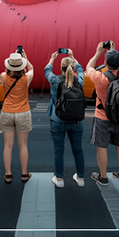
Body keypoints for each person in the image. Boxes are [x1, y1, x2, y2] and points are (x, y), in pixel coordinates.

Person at [86, 41, 119, 185]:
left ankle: (103, 177)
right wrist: (114, 50)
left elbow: (89, 67)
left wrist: (98, 52)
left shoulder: (101, 78)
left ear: (105, 62)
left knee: (102, 147)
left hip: (102, 117)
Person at [44, 51, 87, 188]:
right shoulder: (79, 81)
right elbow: (80, 69)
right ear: (73, 68)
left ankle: (60, 179)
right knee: (78, 149)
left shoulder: (55, 80)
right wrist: (73, 57)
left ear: (61, 68)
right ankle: (80, 178)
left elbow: (47, 70)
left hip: (57, 120)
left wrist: (52, 58)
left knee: (59, 150)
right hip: (76, 121)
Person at [0, 51, 35, 184]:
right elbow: (31, 69)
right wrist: (25, 56)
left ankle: (8, 174)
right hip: (23, 112)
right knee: (23, 145)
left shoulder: (3, 76)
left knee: (7, 146)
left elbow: (5, 72)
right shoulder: (27, 78)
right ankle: (24, 174)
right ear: (21, 65)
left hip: (7, 112)